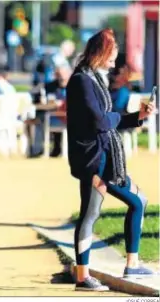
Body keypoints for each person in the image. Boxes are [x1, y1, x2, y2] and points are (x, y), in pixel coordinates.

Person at [66, 28, 156, 291]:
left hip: (106, 158)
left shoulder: (93, 78)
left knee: (118, 206)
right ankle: (87, 275)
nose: (115, 63)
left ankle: (129, 264)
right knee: (96, 213)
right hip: (96, 160)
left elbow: (111, 118)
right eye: (112, 57)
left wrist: (138, 116)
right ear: (101, 54)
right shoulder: (82, 81)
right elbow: (101, 121)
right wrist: (117, 118)